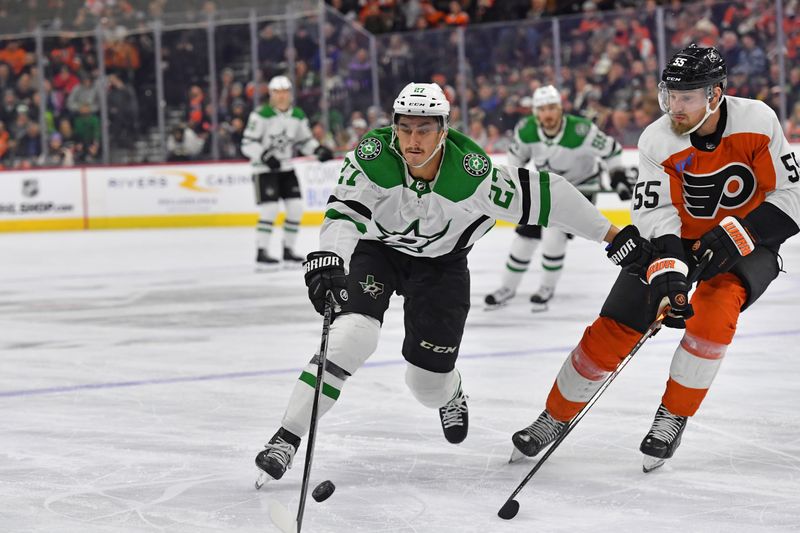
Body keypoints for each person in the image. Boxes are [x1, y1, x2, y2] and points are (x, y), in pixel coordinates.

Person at [253, 82, 639, 488]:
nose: (413, 140)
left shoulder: (472, 175)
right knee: (351, 336)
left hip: (441, 266)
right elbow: (343, 214)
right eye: (404, 128)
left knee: (425, 383)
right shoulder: (372, 157)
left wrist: (612, 235)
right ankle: (287, 437)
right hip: (377, 253)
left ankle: (450, 393)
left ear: (443, 129)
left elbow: (550, 196)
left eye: (424, 129)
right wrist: (328, 257)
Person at [510, 45, 800, 473]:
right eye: (670, 95)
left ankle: (673, 415)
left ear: (716, 95)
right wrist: (668, 271)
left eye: (687, 96)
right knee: (614, 328)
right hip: (678, 240)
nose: (674, 107)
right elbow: (655, 212)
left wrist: (740, 232)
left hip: (747, 241)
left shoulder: (758, 121)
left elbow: (791, 198)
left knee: (715, 315)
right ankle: (554, 415)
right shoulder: (656, 138)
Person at [484, 85, 635, 311]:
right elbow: (516, 161)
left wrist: (616, 174)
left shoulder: (581, 130)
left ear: (560, 109)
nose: (548, 114)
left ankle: (546, 288)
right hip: (547, 188)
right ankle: (507, 287)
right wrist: (516, 187)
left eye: (552, 108)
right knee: (524, 238)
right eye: (542, 109)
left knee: (554, 233)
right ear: (535, 112)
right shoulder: (526, 130)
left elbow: (611, 150)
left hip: (581, 188)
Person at [240, 75, 333, 270]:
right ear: (271, 95)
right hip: (264, 170)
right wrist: (264, 156)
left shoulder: (297, 115)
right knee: (270, 210)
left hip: (286, 168)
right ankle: (261, 251)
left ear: (290, 94)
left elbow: (304, 140)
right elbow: (247, 143)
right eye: (277, 92)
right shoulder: (260, 115)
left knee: (296, 208)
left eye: (285, 92)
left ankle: (288, 250)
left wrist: (318, 150)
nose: (281, 96)